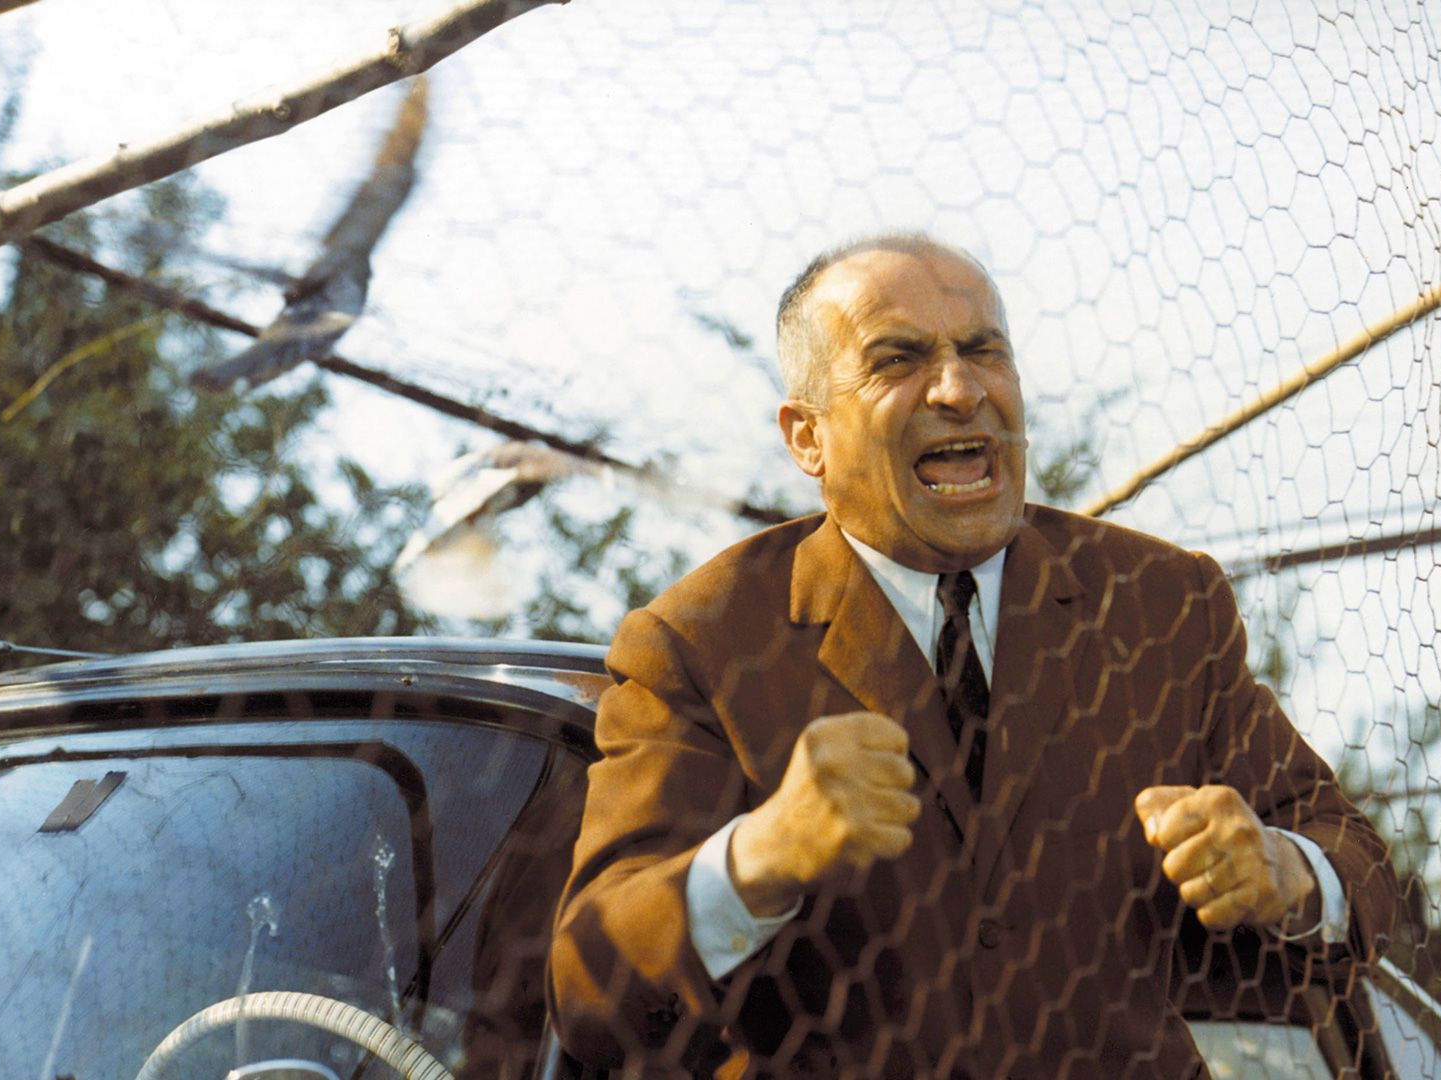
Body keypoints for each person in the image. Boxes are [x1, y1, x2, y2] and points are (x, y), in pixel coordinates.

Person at [548, 233, 1397, 1078]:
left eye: (985, 351)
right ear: (807, 437)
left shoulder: (1159, 601)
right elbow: (587, 995)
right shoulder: (702, 640)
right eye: (897, 359)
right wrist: (760, 858)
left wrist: (1284, 870)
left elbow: (1366, 872)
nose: (960, 390)